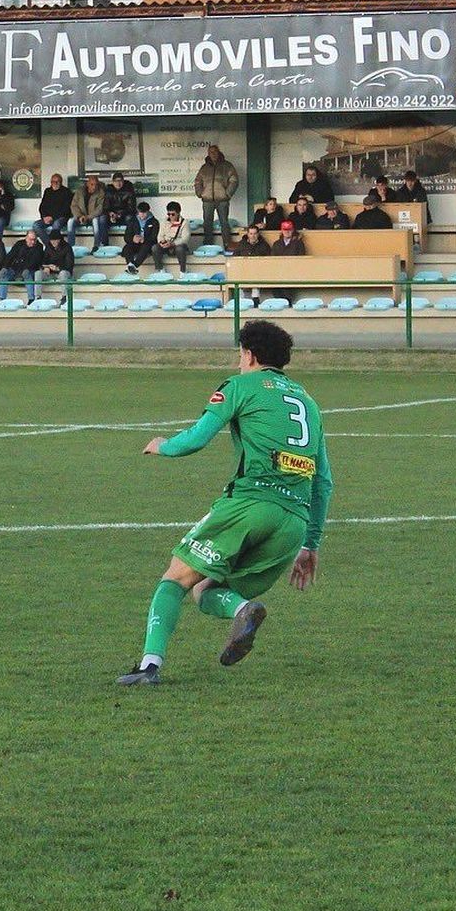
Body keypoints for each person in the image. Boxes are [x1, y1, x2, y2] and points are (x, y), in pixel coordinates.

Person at [118, 320, 332, 686]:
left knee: (175, 578)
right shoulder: (309, 403)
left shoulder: (239, 386)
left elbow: (197, 438)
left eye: (240, 355)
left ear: (249, 355)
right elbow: (323, 482)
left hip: (250, 505)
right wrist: (310, 544)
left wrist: (163, 446)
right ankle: (242, 609)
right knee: (205, 591)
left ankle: (149, 667)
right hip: (293, 522)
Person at [195, 144, 239, 247]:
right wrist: (200, 193)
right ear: (208, 154)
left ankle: (227, 245)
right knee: (207, 223)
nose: (213, 154)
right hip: (207, 200)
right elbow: (198, 181)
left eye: (215, 151)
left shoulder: (227, 165)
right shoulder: (204, 167)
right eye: (211, 152)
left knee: (224, 222)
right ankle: (207, 245)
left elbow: (234, 180)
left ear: (219, 152)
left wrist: (227, 193)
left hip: (222, 200)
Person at [0, 230, 44, 303]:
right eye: (31, 239)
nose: (33, 242)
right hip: (15, 269)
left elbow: (35, 261)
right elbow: (10, 256)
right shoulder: (19, 244)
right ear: (26, 238)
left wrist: (24, 269)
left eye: (34, 240)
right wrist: (5, 267)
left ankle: (31, 299)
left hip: (30, 269)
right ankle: (2, 299)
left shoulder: (39, 246)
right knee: (4, 273)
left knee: (26, 273)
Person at [153, 201, 193, 273]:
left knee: (180, 248)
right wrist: (162, 242)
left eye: (173, 214)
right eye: (169, 214)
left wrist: (173, 244)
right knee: (155, 248)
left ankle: (183, 271)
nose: (170, 216)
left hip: (177, 245)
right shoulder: (164, 221)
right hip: (166, 245)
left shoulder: (185, 222)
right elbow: (160, 235)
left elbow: (185, 238)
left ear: (178, 213)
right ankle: (160, 269)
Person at [101, 174, 137, 252]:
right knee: (102, 219)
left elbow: (131, 208)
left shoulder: (129, 191)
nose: (118, 183)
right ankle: (104, 244)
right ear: (112, 182)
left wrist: (120, 215)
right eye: (116, 181)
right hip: (112, 216)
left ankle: (130, 244)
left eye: (120, 181)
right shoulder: (108, 191)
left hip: (124, 215)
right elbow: (105, 208)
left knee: (130, 218)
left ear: (123, 181)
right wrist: (110, 213)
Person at [36, 173, 75, 244]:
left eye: (57, 181)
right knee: (36, 225)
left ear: (61, 182)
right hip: (47, 218)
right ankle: (49, 245)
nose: (55, 183)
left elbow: (66, 210)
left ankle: (54, 246)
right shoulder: (47, 191)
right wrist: (44, 217)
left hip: (61, 218)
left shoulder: (66, 192)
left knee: (56, 224)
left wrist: (52, 217)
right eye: (53, 181)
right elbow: (42, 206)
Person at [122, 201, 158, 274]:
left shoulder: (154, 222)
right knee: (127, 247)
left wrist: (144, 240)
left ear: (148, 211)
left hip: (147, 244)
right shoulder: (132, 220)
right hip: (135, 244)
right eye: (140, 212)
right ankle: (130, 264)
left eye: (144, 212)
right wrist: (133, 238)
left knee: (146, 247)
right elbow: (126, 236)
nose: (142, 214)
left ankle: (134, 266)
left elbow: (154, 238)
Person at [39, 229, 74, 302]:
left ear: (60, 240)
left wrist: (58, 268)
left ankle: (64, 297)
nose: (53, 242)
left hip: (63, 272)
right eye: (52, 240)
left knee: (63, 273)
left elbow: (69, 264)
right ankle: (38, 296)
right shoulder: (48, 247)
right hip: (50, 272)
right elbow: (43, 261)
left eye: (55, 240)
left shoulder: (67, 247)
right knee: (38, 273)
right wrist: (46, 267)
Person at [74, 172, 106, 250]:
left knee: (95, 221)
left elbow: (99, 209)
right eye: (92, 184)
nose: (94, 187)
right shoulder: (79, 191)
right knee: (70, 222)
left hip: (93, 216)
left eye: (96, 185)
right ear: (87, 184)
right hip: (81, 217)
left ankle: (96, 246)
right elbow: (74, 205)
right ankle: (71, 247)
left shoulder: (101, 192)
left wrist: (88, 217)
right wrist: (79, 216)